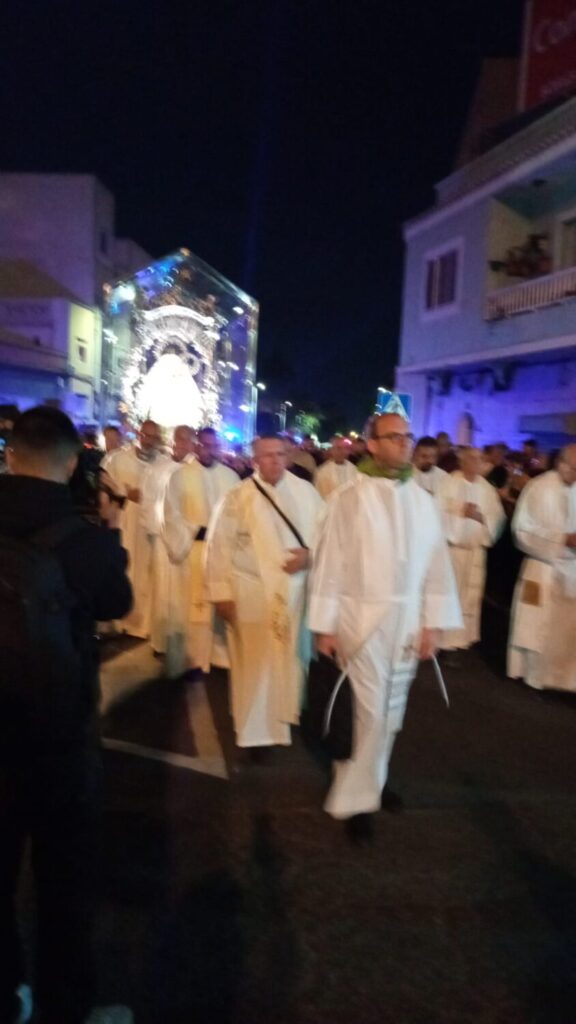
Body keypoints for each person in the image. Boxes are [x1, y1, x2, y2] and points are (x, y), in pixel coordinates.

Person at [0, 406, 133, 1024]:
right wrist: (110, 531)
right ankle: (67, 1006)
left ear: (10, 455)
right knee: (65, 881)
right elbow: (117, 603)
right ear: (74, 462)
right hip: (58, 734)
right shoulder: (86, 540)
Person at [308, 414, 461, 838]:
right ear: (372, 444)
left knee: (391, 712)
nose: (404, 443)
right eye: (393, 437)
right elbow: (330, 564)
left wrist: (433, 624)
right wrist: (325, 626)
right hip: (362, 619)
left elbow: (437, 564)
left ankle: (372, 781)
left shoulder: (423, 501)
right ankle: (357, 801)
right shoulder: (348, 498)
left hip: (408, 621)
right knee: (370, 710)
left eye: (407, 436)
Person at [205, 434, 325, 751]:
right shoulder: (237, 497)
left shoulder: (307, 492)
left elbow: (327, 537)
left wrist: (310, 556)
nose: (274, 460)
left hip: (294, 596)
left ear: (288, 456)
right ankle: (254, 733)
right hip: (251, 594)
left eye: (280, 454)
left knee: (289, 662)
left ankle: (286, 718)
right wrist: (221, 593)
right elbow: (219, 547)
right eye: (267, 455)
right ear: (255, 460)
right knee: (255, 664)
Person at [162, 427, 238, 676]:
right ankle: (195, 659)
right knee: (194, 606)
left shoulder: (231, 477)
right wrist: (195, 530)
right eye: (204, 445)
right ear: (196, 446)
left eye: (214, 446)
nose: (209, 450)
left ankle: (221, 656)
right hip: (192, 551)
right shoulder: (179, 476)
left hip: (223, 553)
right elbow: (170, 514)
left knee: (221, 600)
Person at [508, 444, 576, 691]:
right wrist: (562, 539)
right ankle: (532, 676)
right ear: (561, 464)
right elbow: (522, 530)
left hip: (571, 571)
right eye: (574, 468)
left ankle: (561, 678)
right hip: (541, 568)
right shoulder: (540, 487)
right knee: (535, 624)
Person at [102, 420, 170, 639]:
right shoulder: (117, 459)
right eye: (146, 436)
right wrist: (121, 494)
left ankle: (145, 624)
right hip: (125, 523)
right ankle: (122, 621)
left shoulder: (165, 462)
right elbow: (104, 486)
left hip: (151, 527)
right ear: (139, 434)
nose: (149, 441)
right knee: (126, 569)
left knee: (149, 573)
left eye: (154, 437)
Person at [438, 447, 505, 658]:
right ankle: (444, 642)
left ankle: (462, 641)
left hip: (476, 552)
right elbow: (436, 512)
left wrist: (481, 517)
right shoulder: (448, 483)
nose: (477, 463)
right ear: (463, 461)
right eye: (472, 459)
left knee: (470, 598)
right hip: (453, 551)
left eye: (479, 459)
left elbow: (498, 518)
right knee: (450, 596)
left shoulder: (487, 488)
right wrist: (460, 512)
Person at [315, 435, 357, 500]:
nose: (343, 451)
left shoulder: (354, 469)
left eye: (345, 448)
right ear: (331, 450)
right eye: (338, 448)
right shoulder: (323, 472)